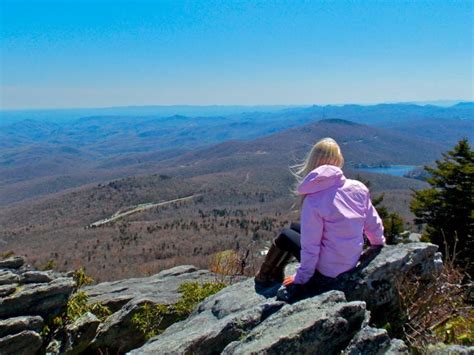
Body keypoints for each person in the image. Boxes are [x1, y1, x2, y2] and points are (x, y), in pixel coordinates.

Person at [255, 137, 385, 302]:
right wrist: (378, 243)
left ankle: (265, 276)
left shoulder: (315, 198)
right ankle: (272, 272)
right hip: (350, 259)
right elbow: (372, 221)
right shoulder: (358, 188)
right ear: (338, 160)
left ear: (313, 162)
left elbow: (311, 245)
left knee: (286, 235)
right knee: (296, 227)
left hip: (328, 271)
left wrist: (301, 277)